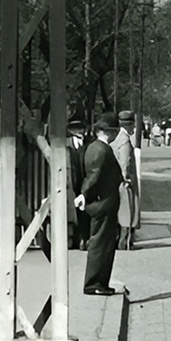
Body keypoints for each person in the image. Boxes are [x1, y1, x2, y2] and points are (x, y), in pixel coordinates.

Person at [78, 114, 124, 295]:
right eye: (114, 131)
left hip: (104, 203)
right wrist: (84, 194)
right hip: (103, 203)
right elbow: (93, 176)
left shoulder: (95, 148)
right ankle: (94, 284)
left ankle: (100, 283)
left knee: (104, 243)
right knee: (101, 245)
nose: (115, 135)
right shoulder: (101, 150)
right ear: (107, 132)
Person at [113, 110, 141, 251]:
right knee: (127, 213)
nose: (134, 128)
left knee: (122, 212)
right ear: (128, 125)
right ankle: (125, 243)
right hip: (125, 184)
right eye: (133, 125)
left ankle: (122, 241)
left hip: (117, 182)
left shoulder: (117, 139)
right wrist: (126, 179)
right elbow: (125, 163)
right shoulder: (124, 142)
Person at [67, 119, 89, 250]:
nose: (81, 132)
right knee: (71, 212)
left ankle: (83, 238)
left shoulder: (88, 145)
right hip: (70, 184)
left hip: (84, 184)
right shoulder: (65, 145)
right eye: (77, 129)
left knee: (84, 212)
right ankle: (72, 239)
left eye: (81, 129)